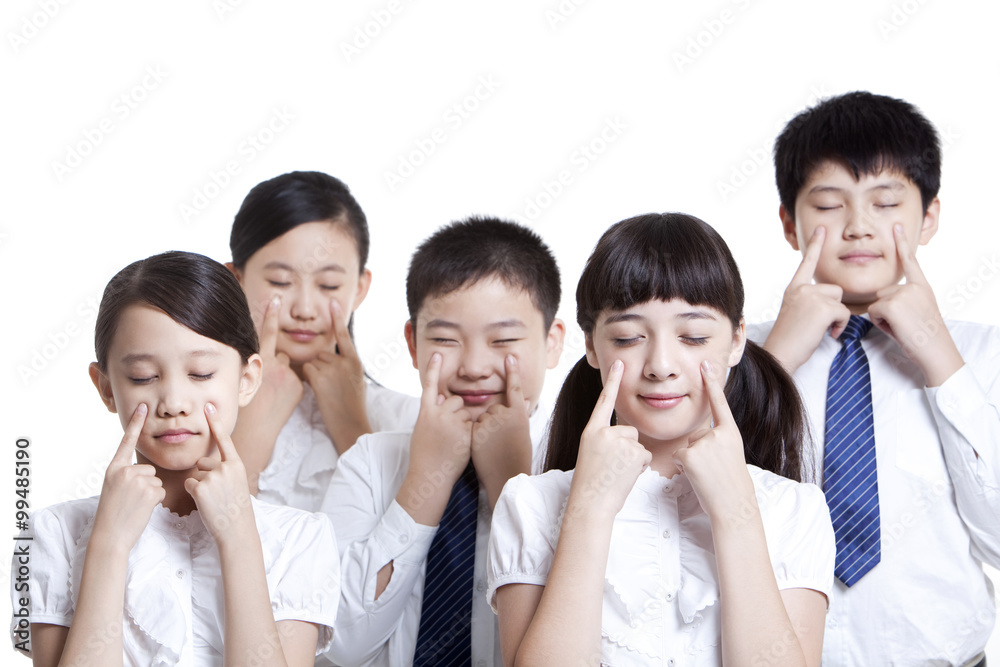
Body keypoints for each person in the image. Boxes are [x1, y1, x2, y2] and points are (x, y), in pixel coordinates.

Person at [488, 213, 834, 666]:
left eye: (693, 336)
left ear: (735, 341)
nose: (661, 364)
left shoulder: (794, 509)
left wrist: (736, 515)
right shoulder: (529, 504)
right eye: (629, 337)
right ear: (592, 346)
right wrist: (589, 509)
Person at [750, 90, 1000, 667]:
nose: (859, 227)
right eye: (830, 205)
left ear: (928, 217)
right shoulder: (739, 351)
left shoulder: (982, 355)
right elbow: (684, 512)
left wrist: (939, 356)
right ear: (790, 223)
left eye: (886, 202)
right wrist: (779, 355)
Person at [10, 251, 339, 666]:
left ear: (248, 378)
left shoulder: (299, 540)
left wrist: (238, 538)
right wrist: (109, 545)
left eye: (201, 374)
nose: (174, 403)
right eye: (143, 377)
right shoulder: (54, 533)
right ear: (107, 388)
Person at [320, 216, 565, 666]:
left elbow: (581, 639)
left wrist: (514, 487)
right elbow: (338, 645)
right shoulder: (370, 462)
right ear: (412, 344)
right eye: (446, 339)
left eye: (503, 339)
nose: (473, 366)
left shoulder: (574, 461)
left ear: (552, 343)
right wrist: (424, 481)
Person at [227, 171, 419, 512]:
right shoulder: (192, 409)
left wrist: (353, 429)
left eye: (328, 285)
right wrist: (248, 442)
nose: (303, 309)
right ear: (236, 280)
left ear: (359, 288)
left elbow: (412, 560)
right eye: (280, 281)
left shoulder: (406, 421)